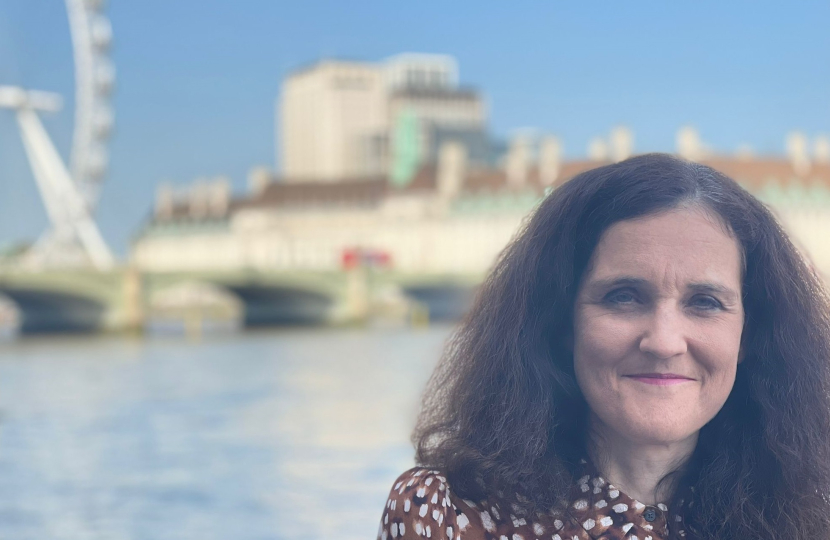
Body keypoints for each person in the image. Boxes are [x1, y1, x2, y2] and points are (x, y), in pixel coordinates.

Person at [376, 153, 830, 540]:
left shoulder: (814, 511)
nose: (664, 342)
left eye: (705, 302)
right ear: (562, 323)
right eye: (624, 297)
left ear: (749, 335)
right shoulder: (446, 514)